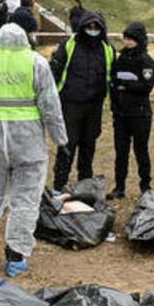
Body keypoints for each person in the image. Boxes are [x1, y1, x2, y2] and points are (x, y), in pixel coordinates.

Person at [0, 22, 67, 278]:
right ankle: (16, 255)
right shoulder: (36, 62)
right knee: (25, 200)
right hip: (28, 141)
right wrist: (60, 140)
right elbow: (50, 105)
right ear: (27, 38)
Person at [49, 10, 113, 190]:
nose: (92, 30)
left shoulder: (107, 49)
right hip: (70, 104)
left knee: (88, 145)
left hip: (94, 105)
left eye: (96, 27)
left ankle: (85, 184)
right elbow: (54, 71)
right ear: (82, 27)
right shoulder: (69, 45)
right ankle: (59, 185)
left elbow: (112, 76)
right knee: (67, 145)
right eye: (89, 27)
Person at [108, 22, 154, 199]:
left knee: (141, 150)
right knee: (121, 152)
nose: (128, 42)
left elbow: (146, 86)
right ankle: (119, 187)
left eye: (132, 39)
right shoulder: (120, 58)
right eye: (126, 38)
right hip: (121, 114)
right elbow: (112, 81)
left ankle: (145, 186)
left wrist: (125, 84)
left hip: (140, 113)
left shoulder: (146, 61)